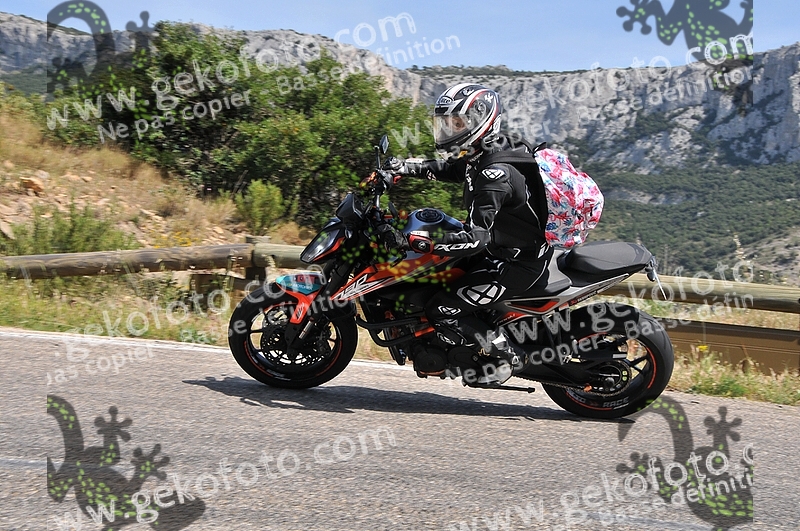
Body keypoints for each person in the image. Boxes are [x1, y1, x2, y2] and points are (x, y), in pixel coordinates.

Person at [382, 83, 553, 385]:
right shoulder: (487, 150)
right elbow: (453, 170)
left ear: (481, 120)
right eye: (446, 123)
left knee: (441, 309)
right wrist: (404, 168)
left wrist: (420, 241)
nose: (449, 129)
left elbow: (476, 237)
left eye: (457, 123)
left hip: (516, 264)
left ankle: (507, 357)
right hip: (502, 251)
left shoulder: (495, 174)